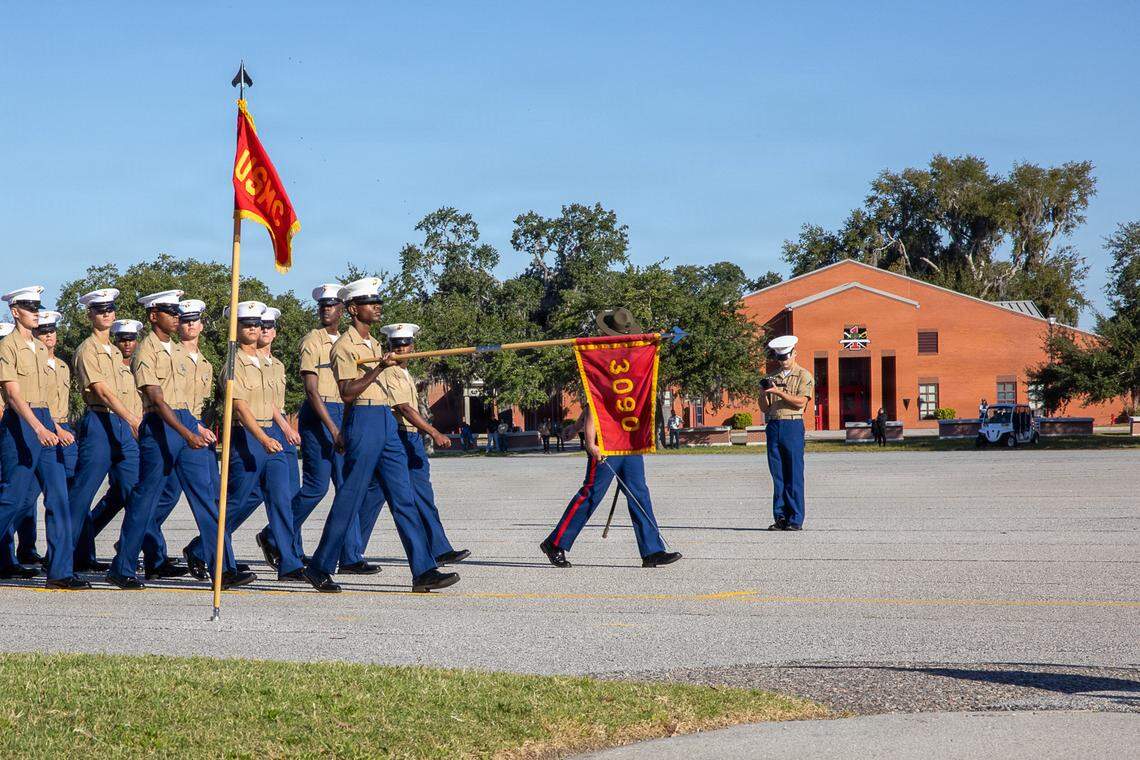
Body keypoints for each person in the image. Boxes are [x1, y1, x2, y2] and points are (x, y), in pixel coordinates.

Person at [300, 277, 457, 594]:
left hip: (386, 421)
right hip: (364, 419)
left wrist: (384, 365)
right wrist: (379, 369)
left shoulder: (373, 345)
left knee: (404, 498)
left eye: (378, 302)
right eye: (372, 303)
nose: (378, 308)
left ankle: (423, 570)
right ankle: (319, 566)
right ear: (354, 309)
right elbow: (346, 393)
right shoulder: (344, 346)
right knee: (350, 496)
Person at [106, 289, 249, 590]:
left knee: (208, 500)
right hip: (161, 426)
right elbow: (157, 400)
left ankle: (223, 568)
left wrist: (195, 427)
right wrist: (187, 433)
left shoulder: (181, 352)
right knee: (146, 499)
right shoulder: (147, 351)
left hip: (185, 424)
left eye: (178, 313)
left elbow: (188, 401)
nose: (177, 318)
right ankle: (122, 567)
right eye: (171, 313)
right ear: (153, 316)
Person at [540, 307, 681, 570]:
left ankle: (652, 550)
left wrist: (576, 426)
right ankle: (556, 542)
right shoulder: (601, 358)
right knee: (592, 493)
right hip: (606, 441)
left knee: (639, 492)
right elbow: (596, 405)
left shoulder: (627, 360)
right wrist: (590, 441)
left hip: (628, 437)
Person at [194, 301, 306, 582]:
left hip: (271, 437)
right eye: (248, 324)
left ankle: (289, 563)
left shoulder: (269, 364)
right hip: (247, 438)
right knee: (237, 500)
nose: (255, 329)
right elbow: (241, 408)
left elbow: (271, 404)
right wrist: (264, 438)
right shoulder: (233, 364)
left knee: (281, 500)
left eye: (258, 324)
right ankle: (200, 548)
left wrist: (278, 433)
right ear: (237, 328)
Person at [0, 286, 86, 589]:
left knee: (59, 498)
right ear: (15, 312)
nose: (36, 312)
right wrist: (37, 428)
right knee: (12, 499)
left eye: (37, 307)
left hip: (45, 423)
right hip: (22, 426)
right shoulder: (7, 346)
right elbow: (12, 394)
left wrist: (55, 426)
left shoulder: (39, 348)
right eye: (30, 308)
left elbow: (46, 395)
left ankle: (61, 572)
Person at [370, 322, 470, 567]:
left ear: (413, 347)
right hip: (398, 437)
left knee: (423, 495)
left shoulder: (405, 373)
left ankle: (440, 549)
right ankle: (348, 552)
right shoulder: (387, 372)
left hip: (411, 437)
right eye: (396, 345)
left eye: (405, 344)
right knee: (370, 498)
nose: (401, 349)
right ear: (389, 347)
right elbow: (404, 408)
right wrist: (435, 432)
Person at [759, 335, 814, 531]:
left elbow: (801, 402)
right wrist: (763, 392)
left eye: (786, 357)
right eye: (779, 358)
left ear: (794, 353)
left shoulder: (803, 375)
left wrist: (779, 393)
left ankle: (795, 519)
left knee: (794, 474)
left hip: (792, 425)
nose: (783, 361)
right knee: (778, 475)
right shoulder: (773, 377)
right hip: (774, 425)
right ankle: (780, 517)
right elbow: (765, 409)